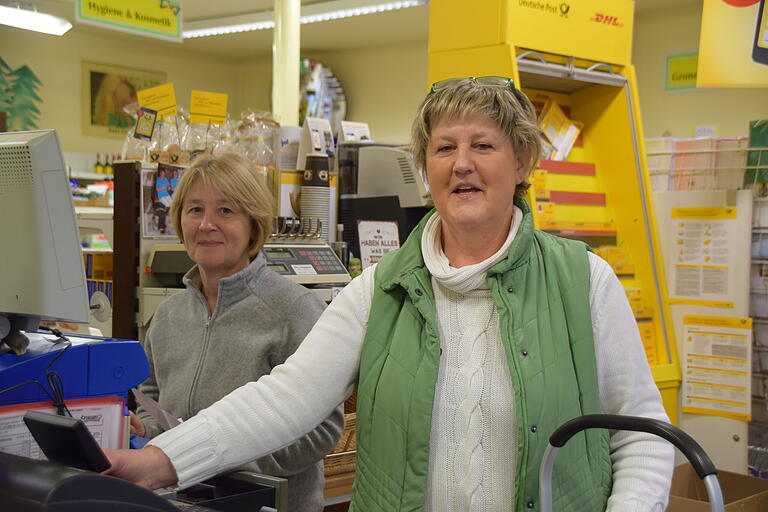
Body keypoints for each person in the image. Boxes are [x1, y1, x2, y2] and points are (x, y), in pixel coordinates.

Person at [105, 77, 674, 511]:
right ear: (425, 169)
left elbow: (641, 434)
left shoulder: (584, 282)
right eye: (444, 147)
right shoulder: (381, 289)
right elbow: (286, 398)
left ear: (523, 161)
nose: (463, 165)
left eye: (484, 145)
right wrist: (161, 460)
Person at [129, 152, 344, 512]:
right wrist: (146, 432)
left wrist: (221, 457)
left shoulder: (294, 310)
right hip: (184, 501)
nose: (206, 224)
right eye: (194, 209)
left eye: (226, 211)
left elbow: (321, 430)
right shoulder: (167, 316)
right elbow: (153, 399)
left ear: (253, 224)